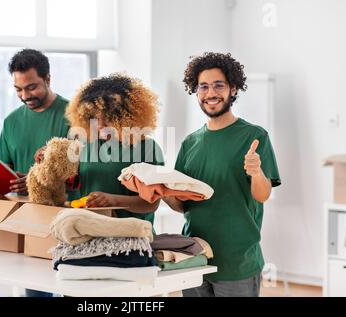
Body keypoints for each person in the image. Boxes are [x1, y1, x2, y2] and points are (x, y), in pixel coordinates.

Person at [164, 52, 281, 297]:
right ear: (196, 92)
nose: (210, 93)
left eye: (219, 85)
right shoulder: (190, 143)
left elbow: (262, 195)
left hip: (237, 263)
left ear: (233, 89)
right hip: (195, 258)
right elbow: (183, 205)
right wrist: (162, 193)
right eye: (203, 87)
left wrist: (257, 171)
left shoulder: (254, 136)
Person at [0, 48, 71, 297]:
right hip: (25, 220)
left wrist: (37, 181)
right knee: (34, 292)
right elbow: (5, 171)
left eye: (31, 87)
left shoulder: (73, 116)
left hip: (64, 219)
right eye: (18, 89)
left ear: (48, 79)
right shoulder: (11, 122)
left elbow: (82, 172)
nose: (24, 95)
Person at [65, 73, 164, 224]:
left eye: (109, 118)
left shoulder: (146, 147)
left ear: (127, 117)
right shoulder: (84, 143)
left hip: (132, 236)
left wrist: (113, 200)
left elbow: (151, 203)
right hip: (89, 232)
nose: (100, 125)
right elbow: (72, 185)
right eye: (94, 118)